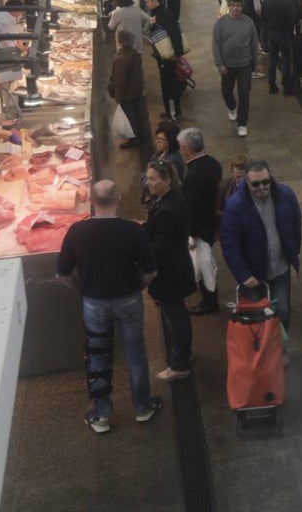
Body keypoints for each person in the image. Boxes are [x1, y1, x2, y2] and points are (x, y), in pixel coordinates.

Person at [57, 180, 163, 434]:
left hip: (94, 303)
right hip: (128, 299)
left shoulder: (76, 232)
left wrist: (82, 290)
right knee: (135, 353)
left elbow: (61, 274)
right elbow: (151, 271)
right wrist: (138, 287)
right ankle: (143, 407)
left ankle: (102, 415)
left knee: (98, 356)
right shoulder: (132, 231)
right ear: (118, 199)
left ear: (92, 201)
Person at [219, 158, 302, 331]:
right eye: (256, 184)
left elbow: (296, 222)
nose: (262, 187)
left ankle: (279, 348)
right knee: (255, 317)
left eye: (266, 182)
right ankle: (260, 352)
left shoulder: (285, 194)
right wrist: (243, 274)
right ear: (246, 182)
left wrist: (293, 249)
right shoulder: (235, 206)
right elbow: (230, 244)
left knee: (283, 311)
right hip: (253, 275)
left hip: (280, 268)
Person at [142, 161, 196, 381]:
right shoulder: (173, 199)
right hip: (179, 269)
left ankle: (179, 365)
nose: (148, 183)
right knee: (179, 316)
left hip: (169, 275)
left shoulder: (167, 210)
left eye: (153, 178)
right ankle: (184, 355)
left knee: (175, 319)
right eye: (148, 177)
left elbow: (160, 248)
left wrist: (141, 248)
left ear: (167, 180)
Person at [178, 128, 225, 316]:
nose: (181, 150)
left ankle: (209, 301)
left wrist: (191, 235)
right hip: (211, 222)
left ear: (188, 149)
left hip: (201, 229)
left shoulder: (193, 175)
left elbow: (194, 210)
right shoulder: (213, 164)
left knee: (203, 265)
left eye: (182, 147)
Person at [212, 0, 259, 138]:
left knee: (244, 93)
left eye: (238, 5)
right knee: (226, 90)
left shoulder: (249, 22)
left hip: (245, 64)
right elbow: (216, 45)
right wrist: (219, 63)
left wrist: (255, 62)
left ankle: (242, 123)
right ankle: (232, 106)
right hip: (227, 65)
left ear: (242, 7)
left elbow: (254, 43)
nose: (235, 8)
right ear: (229, 7)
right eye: (233, 5)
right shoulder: (221, 23)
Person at [144, 0, 185, 121]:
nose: (146, 4)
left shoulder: (163, 15)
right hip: (163, 56)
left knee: (169, 86)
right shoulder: (159, 14)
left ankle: (172, 114)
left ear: (155, 0)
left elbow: (175, 34)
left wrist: (177, 53)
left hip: (167, 57)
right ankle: (171, 111)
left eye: (148, 1)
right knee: (167, 85)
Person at [109, 30, 148, 150]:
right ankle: (142, 137)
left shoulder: (120, 58)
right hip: (137, 90)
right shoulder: (135, 53)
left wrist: (118, 96)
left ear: (119, 41)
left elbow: (120, 80)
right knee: (138, 115)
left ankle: (134, 139)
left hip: (127, 94)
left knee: (130, 117)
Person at [260, 0, 299, 95]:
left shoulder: (266, 1)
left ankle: (272, 85)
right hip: (284, 34)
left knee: (273, 60)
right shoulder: (287, 2)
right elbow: (293, 19)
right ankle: (286, 88)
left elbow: (263, 18)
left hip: (271, 34)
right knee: (286, 61)